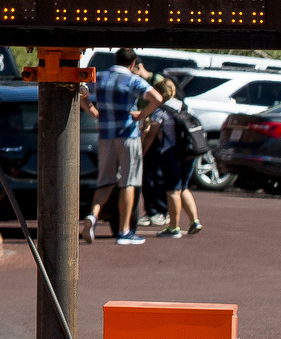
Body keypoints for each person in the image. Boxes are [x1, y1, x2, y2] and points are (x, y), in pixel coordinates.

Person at [80, 48, 161, 246]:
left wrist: (95, 113)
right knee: (129, 181)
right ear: (132, 64)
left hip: (106, 135)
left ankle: (93, 215)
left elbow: (82, 95)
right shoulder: (133, 80)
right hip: (128, 134)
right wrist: (142, 115)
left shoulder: (99, 77)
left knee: (105, 180)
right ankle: (124, 230)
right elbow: (157, 98)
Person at [152, 77, 206, 239]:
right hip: (188, 152)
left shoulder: (160, 111)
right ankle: (194, 221)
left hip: (171, 153)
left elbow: (154, 133)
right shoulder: (185, 107)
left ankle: (174, 227)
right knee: (183, 187)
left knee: (173, 190)